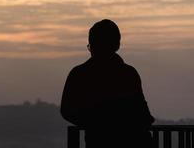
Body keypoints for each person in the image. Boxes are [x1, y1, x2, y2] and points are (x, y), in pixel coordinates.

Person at [60, 19, 154, 148]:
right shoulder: (129, 74)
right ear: (117, 45)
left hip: (98, 141)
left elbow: (67, 111)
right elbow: (143, 115)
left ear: (92, 45)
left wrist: (94, 123)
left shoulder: (79, 73)